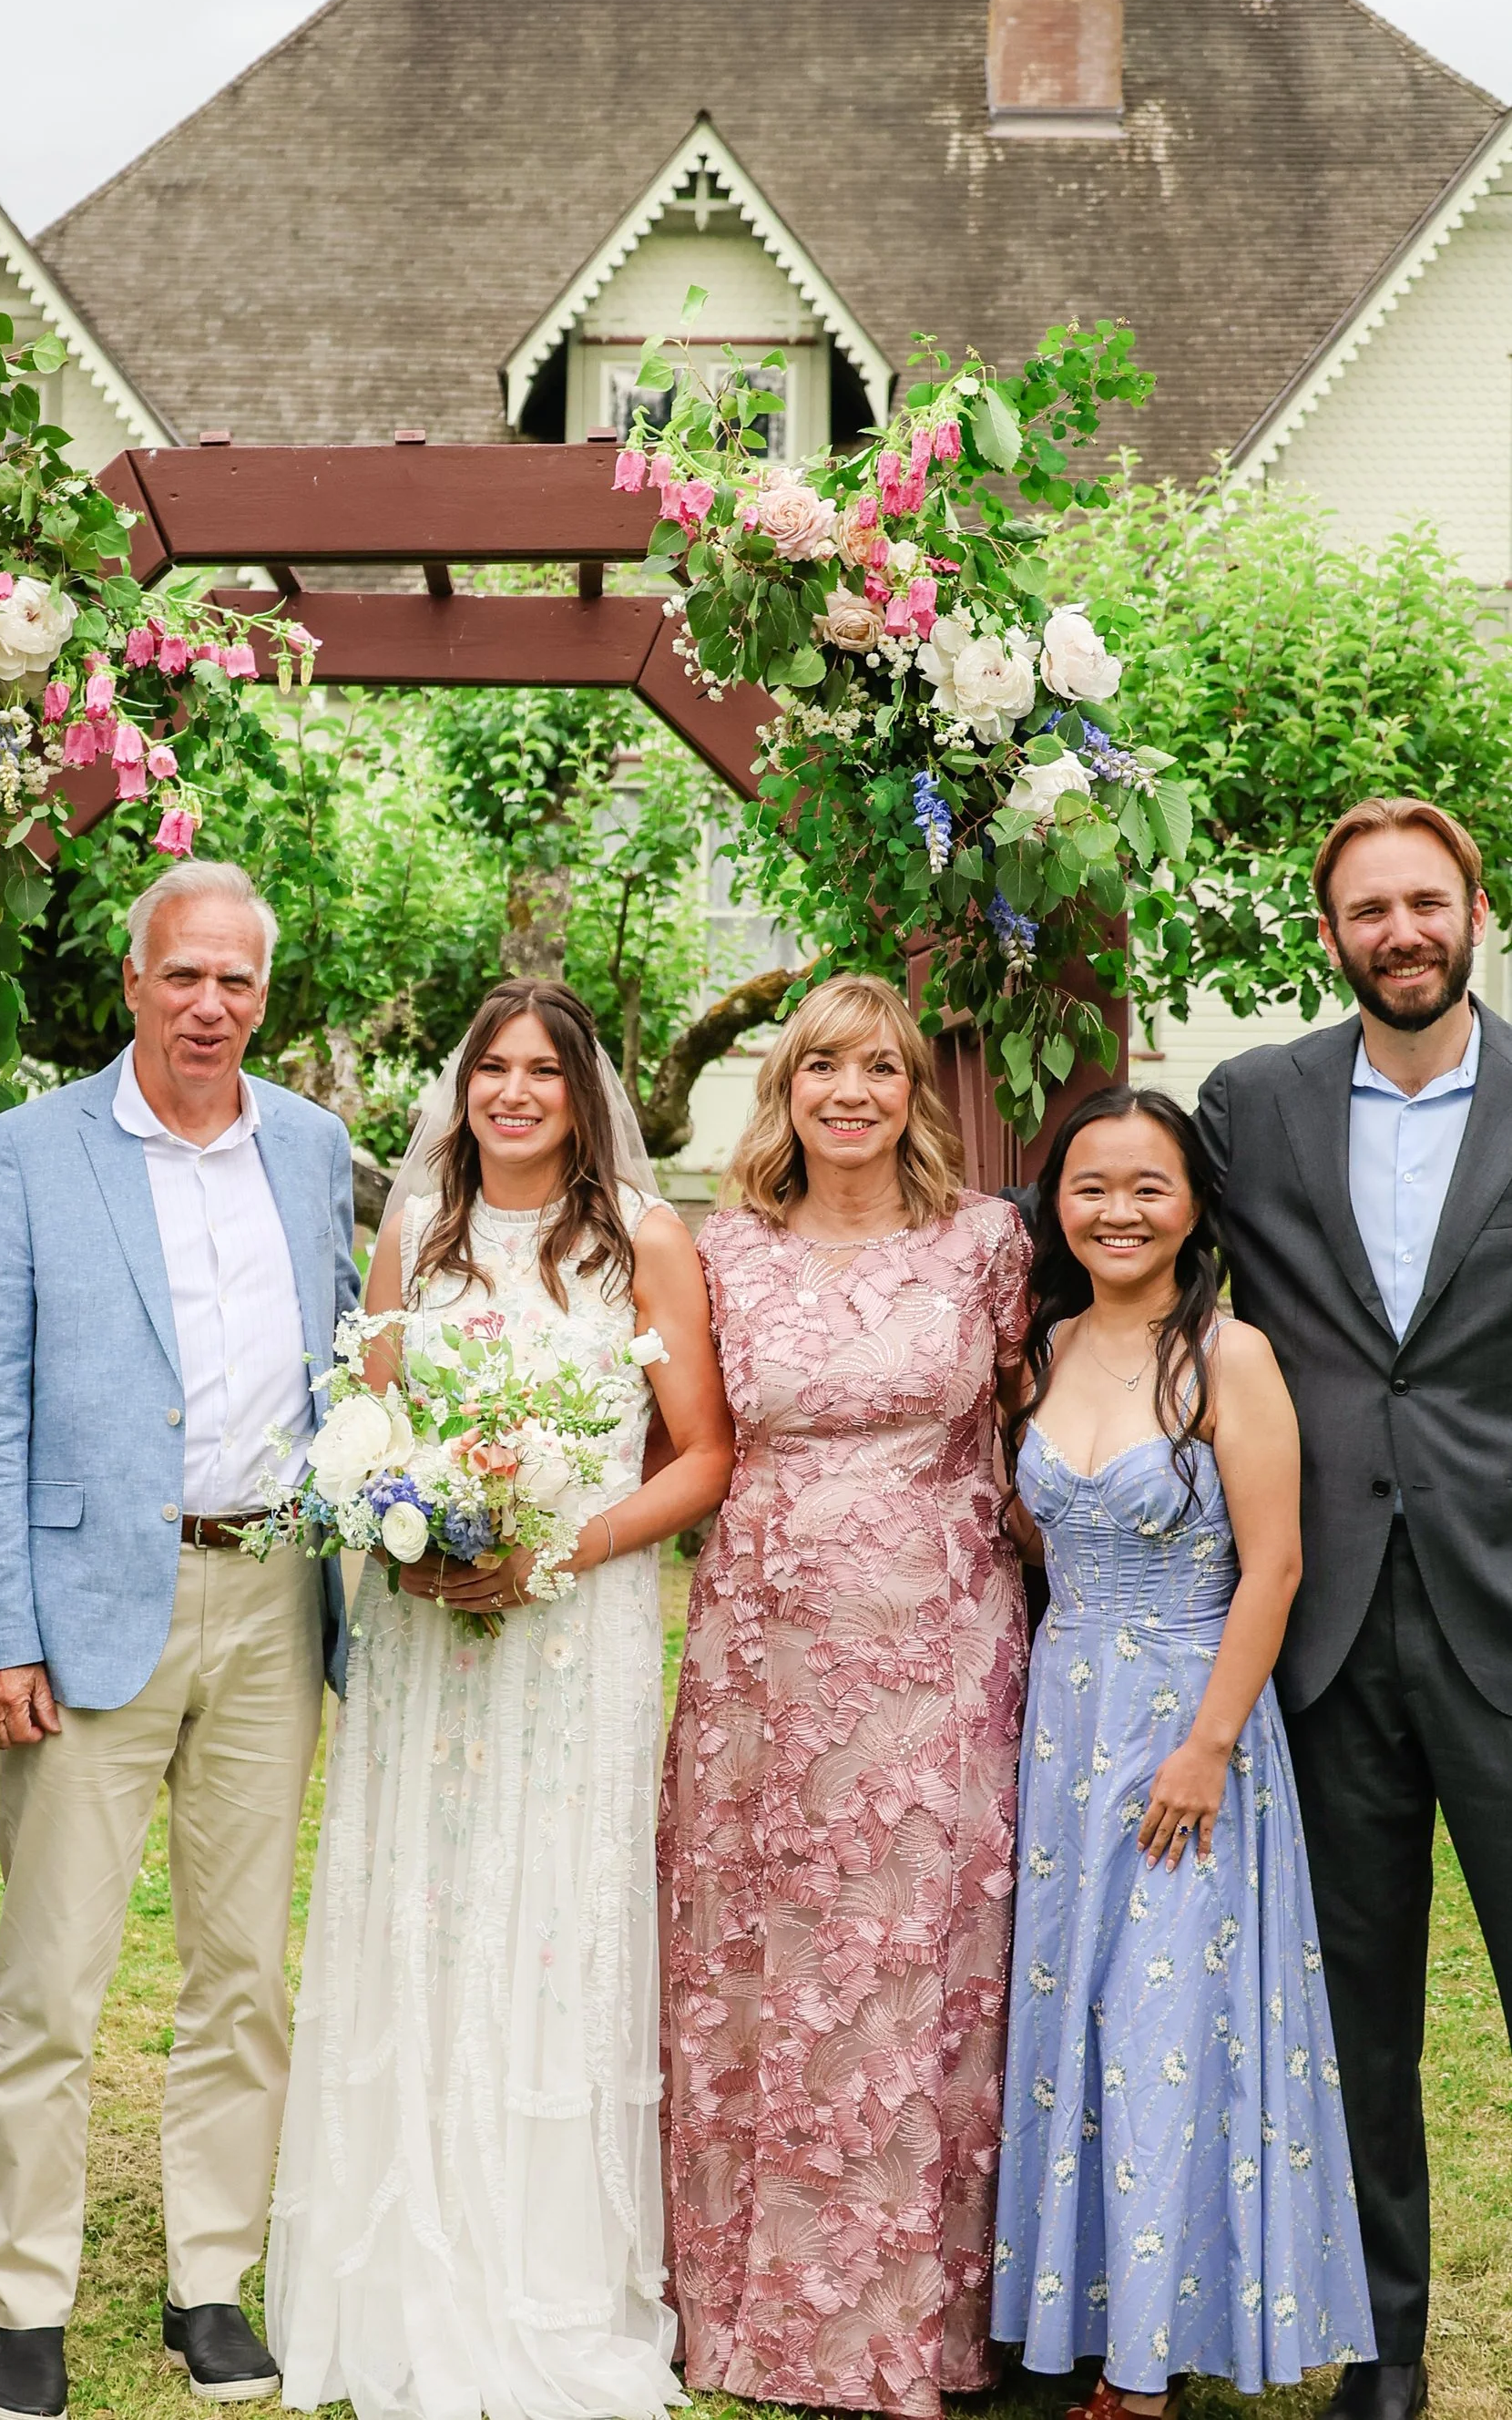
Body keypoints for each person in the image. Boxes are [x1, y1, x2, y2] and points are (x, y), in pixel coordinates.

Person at [265, 978, 733, 2420]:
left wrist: (560, 1544)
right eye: (492, 1068)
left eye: (544, 1069)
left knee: (550, 1917)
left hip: (573, 1627)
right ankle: (402, 2248)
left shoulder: (644, 1242)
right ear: (461, 1088)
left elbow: (701, 1452)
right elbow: (377, 1418)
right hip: (426, 1633)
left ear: (583, 1092)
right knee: (424, 1895)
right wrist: (407, 1519)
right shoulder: (414, 1231)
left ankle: (546, 2262)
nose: (514, 1090)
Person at [0, 860, 358, 2420]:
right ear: (131, 982)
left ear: (266, 993)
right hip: (86, 1608)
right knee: (53, 1978)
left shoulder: (313, 1147)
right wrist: (1, 1631)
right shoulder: (31, 1151)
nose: (210, 1006)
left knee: (243, 1970)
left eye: (237, 982)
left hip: (273, 1593)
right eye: (183, 976)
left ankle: (208, 2283)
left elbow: (342, 1358)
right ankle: (24, 2303)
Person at [658, 971, 1030, 2420]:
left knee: (917, 1959)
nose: (852, 1093)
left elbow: (1033, 1422)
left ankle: (913, 2321)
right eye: (823, 1068)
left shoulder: (984, 1242)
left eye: (880, 1067)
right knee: (763, 1955)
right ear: (786, 1088)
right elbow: (682, 1437)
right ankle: (757, 2309)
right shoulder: (723, 1250)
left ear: (912, 1091)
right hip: (763, 1657)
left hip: (938, 1653)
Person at [1198, 795, 1512, 2420]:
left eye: (1425, 901)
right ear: (1331, 934)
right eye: (1368, 909)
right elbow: (1142, 1262)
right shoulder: (1251, 1106)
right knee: (1359, 2022)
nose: (1400, 930)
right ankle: (1389, 2354)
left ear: (1475, 908)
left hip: (1506, 1611)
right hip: (1321, 1633)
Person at [991, 1086, 1371, 2417]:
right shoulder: (1037, 1354)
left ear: (1195, 1203)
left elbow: (1275, 1564)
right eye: (1092, 1184)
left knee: (1165, 2021)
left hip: (1189, 1723)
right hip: (1064, 1729)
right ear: (1060, 1203)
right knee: (1075, 2018)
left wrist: (1207, 1743)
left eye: (1148, 1185)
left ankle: (1145, 2376)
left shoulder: (1231, 1356)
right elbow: (1043, 1541)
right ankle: (1075, 2314)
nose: (1119, 1210)